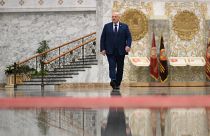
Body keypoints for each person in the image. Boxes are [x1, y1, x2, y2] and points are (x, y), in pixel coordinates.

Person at [100, 11, 132, 90]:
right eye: (112, 16)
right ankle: (113, 80)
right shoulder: (107, 26)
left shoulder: (124, 26)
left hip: (121, 51)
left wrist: (128, 45)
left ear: (118, 17)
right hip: (110, 51)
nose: (113, 18)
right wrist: (102, 49)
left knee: (120, 68)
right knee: (112, 66)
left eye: (115, 16)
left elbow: (129, 37)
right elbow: (102, 38)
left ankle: (118, 82)